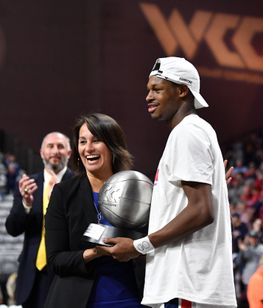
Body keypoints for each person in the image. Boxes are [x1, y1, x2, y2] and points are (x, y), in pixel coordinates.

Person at [100, 57, 237, 307]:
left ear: (182, 90)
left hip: (186, 284)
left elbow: (201, 211)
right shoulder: (195, 130)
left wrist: (138, 246)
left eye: (157, 89)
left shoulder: (187, 133)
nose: (148, 97)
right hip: (189, 283)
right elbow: (199, 204)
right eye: (148, 90)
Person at [43, 113, 145, 308]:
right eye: (82, 141)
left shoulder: (137, 189)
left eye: (96, 140)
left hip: (132, 299)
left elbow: (154, 242)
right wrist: (95, 252)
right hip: (78, 301)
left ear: (113, 146)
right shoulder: (64, 193)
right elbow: (56, 260)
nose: (88, 148)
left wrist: (134, 249)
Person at [5, 132, 73, 308]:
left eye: (60, 146)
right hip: (32, 273)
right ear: (42, 152)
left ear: (69, 153)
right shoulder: (28, 184)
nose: (55, 151)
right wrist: (26, 204)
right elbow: (13, 229)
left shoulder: (79, 183)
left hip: (65, 272)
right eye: (50, 146)